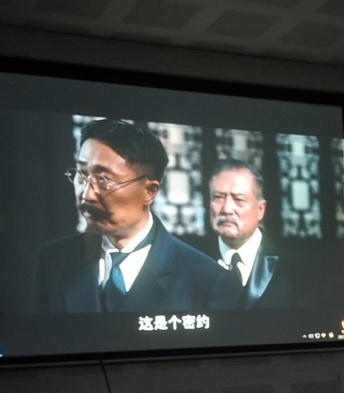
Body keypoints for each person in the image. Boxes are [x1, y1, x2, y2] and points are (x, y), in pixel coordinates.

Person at [35, 118, 223, 314]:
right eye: (82, 175)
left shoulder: (206, 278)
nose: (87, 195)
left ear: (149, 191)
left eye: (103, 179)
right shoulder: (54, 260)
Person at [205, 160, 305, 310]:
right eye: (218, 197)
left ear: (260, 209)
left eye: (238, 200)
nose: (226, 209)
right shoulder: (192, 262)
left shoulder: (293, 265)